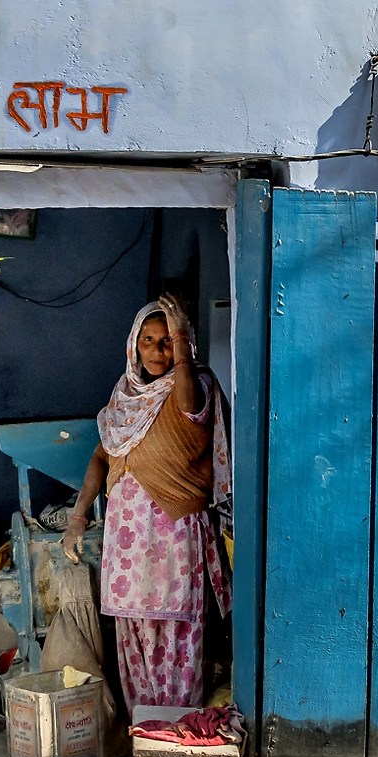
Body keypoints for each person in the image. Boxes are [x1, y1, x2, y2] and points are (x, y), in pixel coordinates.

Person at [62, 296, 229, 710]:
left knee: (178, 638)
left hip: (173, 537)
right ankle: (145, 735)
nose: (157, 350)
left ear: (183, 344)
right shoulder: (124, 397)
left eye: (167, 341)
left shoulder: (196, 384)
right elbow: (102, 456)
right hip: (127, 543)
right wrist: (78, 517)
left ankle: (176, 739)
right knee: (132, 637)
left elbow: (190, 408)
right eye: (148, 340)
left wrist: (183, 345)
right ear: (133, 346)